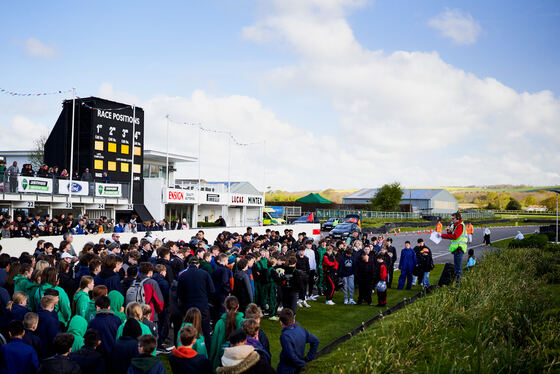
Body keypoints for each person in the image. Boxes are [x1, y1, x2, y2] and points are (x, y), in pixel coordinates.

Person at [177, 257, 215, 354]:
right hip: (202, 306)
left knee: (189, 329)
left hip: (188, 307)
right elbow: (212, 290)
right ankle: (208, 351)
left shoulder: (182, 275)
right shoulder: (204, 274)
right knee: (206, 330)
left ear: (188, 264)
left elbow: (179, 294)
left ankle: (188, 350)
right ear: (198, 264)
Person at [277, 308, 319, 374]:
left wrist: (303, 363)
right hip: (298, 366)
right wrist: (309, 358)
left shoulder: (285, 336)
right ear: (293, 320)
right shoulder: (301, 330)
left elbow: (291, 356)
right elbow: (316, 341)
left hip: (286, 369)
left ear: (281, 322)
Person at [210, 296, 244, 371]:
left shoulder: (220, 323)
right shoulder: (243, 323)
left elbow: (214, 344)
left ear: (225, 307)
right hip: (238, 358)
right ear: (238, 306)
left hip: (221, 358)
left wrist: (211, 358)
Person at [439, 212, 468, 285]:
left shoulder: (460, 226)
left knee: (458, 268)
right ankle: (456, 283)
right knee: (457, 267)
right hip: (457, 249)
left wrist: (442, 236)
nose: (452, 220)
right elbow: (452, 235)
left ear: (458, 218)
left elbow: (455, 236)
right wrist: (449, 231)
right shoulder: (456, 225)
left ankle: (458, 284)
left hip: (459, 248)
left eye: (453, 218)